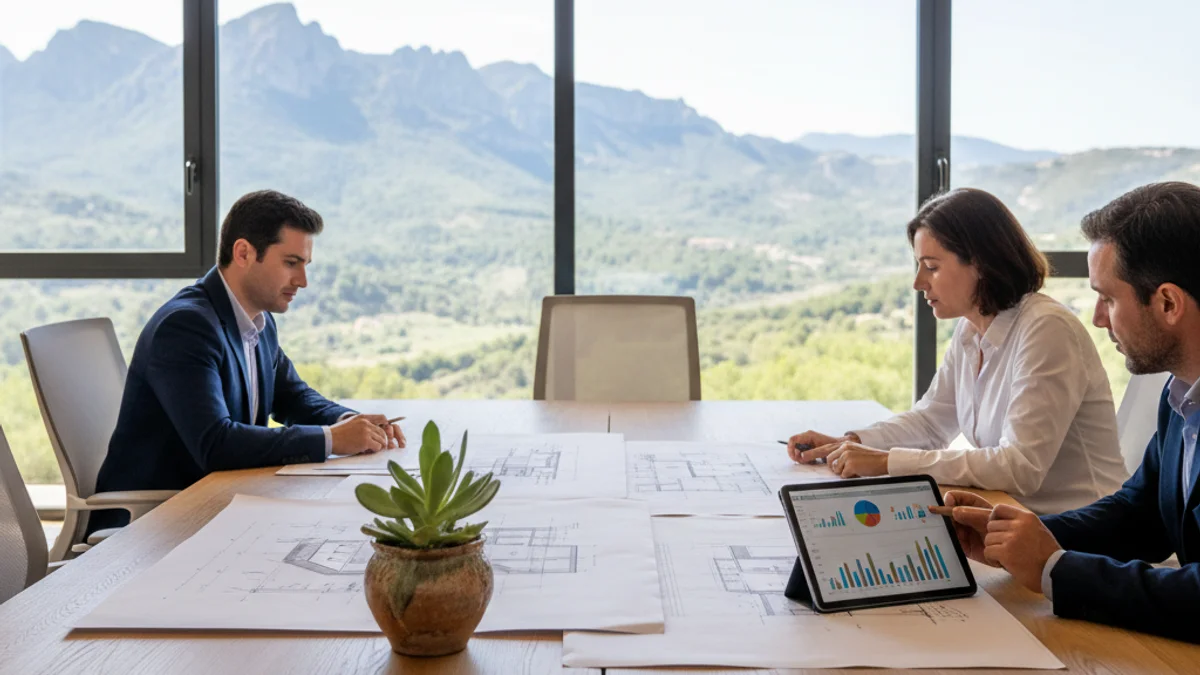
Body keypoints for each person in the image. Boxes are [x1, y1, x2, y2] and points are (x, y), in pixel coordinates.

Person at [931, 182, 1200, 644]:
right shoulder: (1181, 395)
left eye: (1108, 298)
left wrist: (1055, 569)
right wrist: (1013, 536)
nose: (1098, 317)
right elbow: (1143, 514)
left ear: (1168, 303)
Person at [787, 188, 1127, 514]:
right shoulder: (971, 329)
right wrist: (850, 443)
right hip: (1018, 519)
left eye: (932, 266)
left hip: (1084, 537)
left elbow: (1021, 466)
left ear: (980, 264)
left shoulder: (1047, 329)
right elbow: (933, 420)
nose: (918, 282)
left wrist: (886, 462)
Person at [91, 190, 405, 532]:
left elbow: (294, 397)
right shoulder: (185, 327)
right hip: (154, 522)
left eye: (304, 265)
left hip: (216, 504)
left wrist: (353, 422)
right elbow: (217, 444)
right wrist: (332, 439)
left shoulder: (258, 322)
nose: (302, 281)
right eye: (290, 263)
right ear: (243, 253)